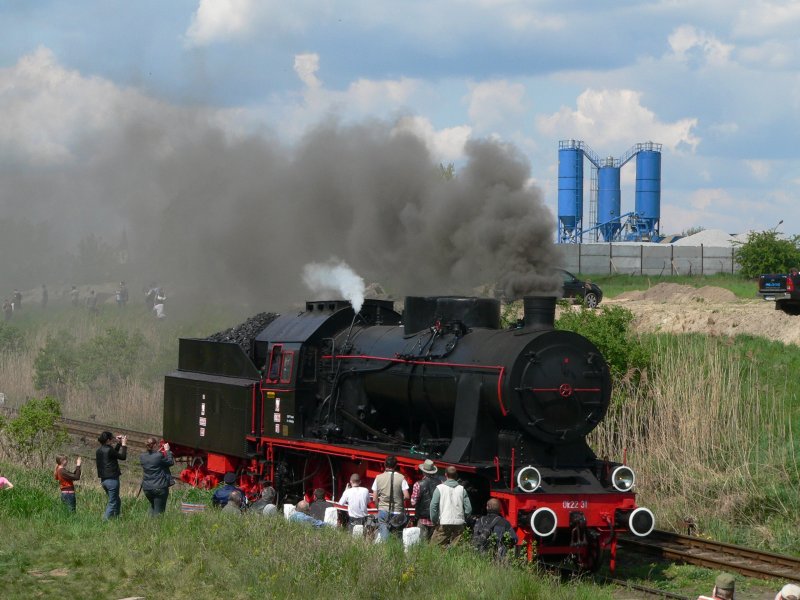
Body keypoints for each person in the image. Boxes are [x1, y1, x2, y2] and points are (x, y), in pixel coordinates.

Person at [430, 466, 472, 547]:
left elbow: (433, 506)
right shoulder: (462, 489)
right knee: (456, 549)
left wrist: (434, 520)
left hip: (444, 522)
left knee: (434, 547)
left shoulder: (439, 488)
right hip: (459, 523)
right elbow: (469, 509)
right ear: (456, 475)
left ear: (445, 475)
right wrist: (463, 517)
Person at [371, 455, 410, 541]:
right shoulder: (401, 478)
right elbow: (407, 496)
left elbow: (374, 498)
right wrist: (399, 500)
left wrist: (379, 507)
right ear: (396, 466)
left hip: (383, 510)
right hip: (398, 511)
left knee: (385, 538)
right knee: (397, 537)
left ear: (385, 465)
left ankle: (385, 552)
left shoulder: (378, 478)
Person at [95, 431, 127, 519]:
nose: (113, 440)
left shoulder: (99, 450)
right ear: (108, 440)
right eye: (112, 438)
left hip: (104, 480)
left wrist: (119, 444)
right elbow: (122, 457)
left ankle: (116, 519)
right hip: (112, 480)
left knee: (117, 500)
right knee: (112, 502)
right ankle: (104, 521)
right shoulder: (109, 449)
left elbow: (113, 454)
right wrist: (124, 445)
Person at [139, 437, 174, 516]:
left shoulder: (142, 456)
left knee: (153, 507)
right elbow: (170, 462)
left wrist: (157, 452)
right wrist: (168, 450)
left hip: (147, 488)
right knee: (159, 513)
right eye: (157, 444)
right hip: (159, 487)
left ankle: (148, 526)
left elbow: (153, 459)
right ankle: (156, 527)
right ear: (154, 445)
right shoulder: (159, 455)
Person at [411, 459, 441, 541]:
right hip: (435, 518)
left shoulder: (418, 484)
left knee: (421, 542)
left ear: (423, 471)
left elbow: (413, 502)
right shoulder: (440, 483)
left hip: (423, 517)